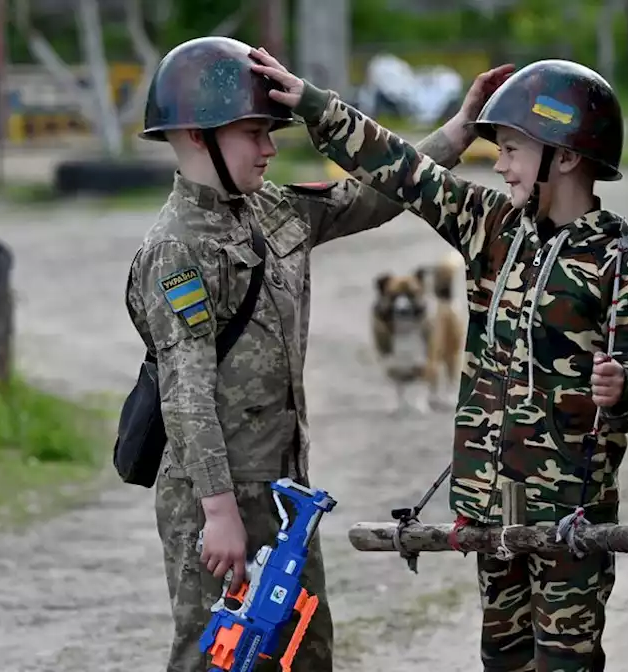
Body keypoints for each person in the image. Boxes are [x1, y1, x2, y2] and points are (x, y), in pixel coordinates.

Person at [250, 49, 628, 671]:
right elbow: (401, 170)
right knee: (501, 661)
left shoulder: (616, 262)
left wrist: (623, 386)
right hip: (489, 507)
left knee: (566, 664)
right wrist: (314, 104)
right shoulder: (489, 226)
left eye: (512, 150)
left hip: (571, 513)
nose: (498, 164)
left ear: (567, 154)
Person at [123, 35, 515, 672]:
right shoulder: (176, 249)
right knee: (216, 655)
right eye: (255, 133)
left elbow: (376, 194)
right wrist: (218, 512)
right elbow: (185, 388)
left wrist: (460, 131)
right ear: (199, 136)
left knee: (303, 651)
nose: (271, 147)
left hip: (284, 491)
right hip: (214, 493)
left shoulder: (273, 210)